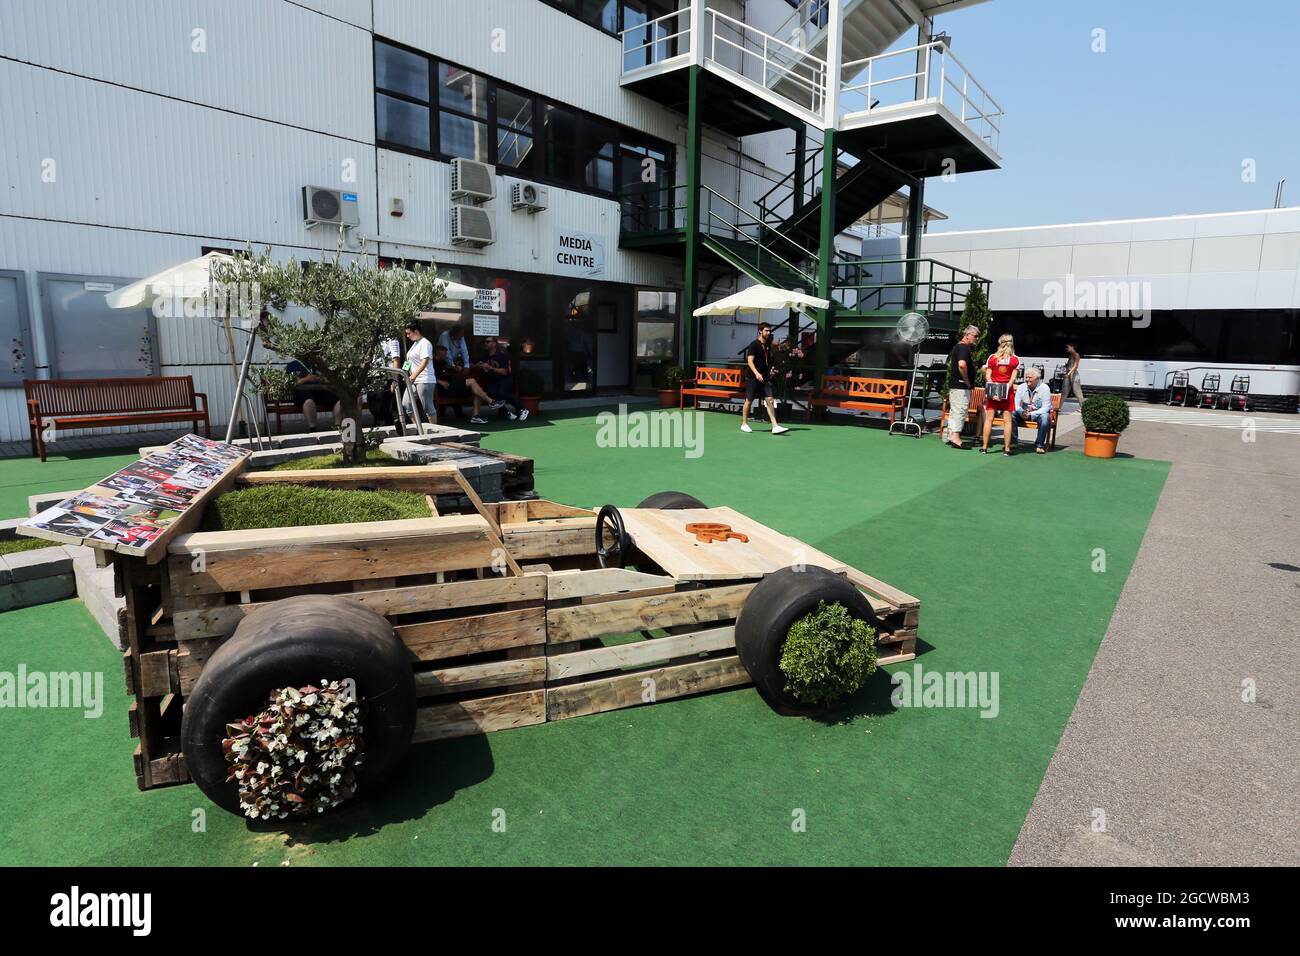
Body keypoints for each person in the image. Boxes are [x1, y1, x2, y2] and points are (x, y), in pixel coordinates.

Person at [740, 322, 789, 435]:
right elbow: (750, 361)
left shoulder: (767, 345)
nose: (768, 332)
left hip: (764, 378)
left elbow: (767, 360)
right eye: (766, 330)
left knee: (770, 399)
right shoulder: (754, 345)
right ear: (760, 331)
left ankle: (775, 426)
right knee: (749, 400)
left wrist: (769, 370)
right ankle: (744, 424)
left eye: (769, 331)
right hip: (753, 377)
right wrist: (757, 373)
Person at [432, 344, 498, 425]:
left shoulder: (444, 363)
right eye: (444, 354)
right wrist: (440, 381)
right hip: (444, 389)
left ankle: (475, 416)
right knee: (472, 381)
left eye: (446, 354)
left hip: (452, 386)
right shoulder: (432, 364)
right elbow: (426, 376)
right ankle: (491, 402)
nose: (446, 356)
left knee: (478, 390)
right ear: (437, 354)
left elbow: (449, 372)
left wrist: (455, 368)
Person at [981, 333, 1020, 456]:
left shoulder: (992, 358)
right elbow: (1012, 379)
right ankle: (1007, 449)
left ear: (1000, 343)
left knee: (989, 419)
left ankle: (984, 447)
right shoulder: (1015, 359)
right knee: (1007, 421)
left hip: (993, 390)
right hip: (1007, 392)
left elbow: (988, 376)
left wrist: (994, 389)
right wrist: (1004, 390)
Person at [944, 324, 979, 449]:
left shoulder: (959, 347)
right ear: (968, 335)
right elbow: (962, 365)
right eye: (975, 336)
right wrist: (967, 381)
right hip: (960, 385)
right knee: (960, 411)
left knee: (955, 411)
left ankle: (951, 435)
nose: (977, 338)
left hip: (955, 384)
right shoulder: (963, 348)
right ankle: (956, 438)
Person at [478, 338, 529, 422]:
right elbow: (476, 364)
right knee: (490, 391)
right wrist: (479, 365)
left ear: (494, 343)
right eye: (484, 342)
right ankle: (505, 412)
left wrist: (490, 368)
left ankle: (522, 408)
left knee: (502, 392)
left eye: (487, 342)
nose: (485, 344)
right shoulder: (485, 356)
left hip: (504, 379)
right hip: (492, 380)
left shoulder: (501, 355)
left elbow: (504, 372)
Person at [285, 357, 340, 430]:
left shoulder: (318, 365)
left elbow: (329, 380)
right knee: (308, 402)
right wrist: (306, 379)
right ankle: (313, 428)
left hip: (320, 390)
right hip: (302, 391)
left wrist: (321, 379)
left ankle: (338, 426)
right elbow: (289, 384)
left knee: (339, 400)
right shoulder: (292, 365)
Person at [1012, 366, 1052, 454]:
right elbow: (1015, 404)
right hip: (1024, 412)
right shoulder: (1021, 387)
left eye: (1030, 377)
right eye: (1026, 377)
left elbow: (1046, 408)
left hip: (1038, 413)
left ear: (1037, 379)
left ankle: (1039, 445)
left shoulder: (1045, 388)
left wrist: (1031, 414)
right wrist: (1021, 411)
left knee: (1045, 418)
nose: (1027, 379)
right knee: (1012, 414)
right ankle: (1014, 442)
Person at [403, 321, 436, 425]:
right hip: (413, 380)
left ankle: (434, 430)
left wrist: (414, 375)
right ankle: (418, 428)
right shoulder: (414, 344)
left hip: (425, 379)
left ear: (416, 331)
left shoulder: (425, 343)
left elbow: (425, 361)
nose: (407, 336)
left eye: (409, 333)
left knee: (428, 408)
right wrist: (404, 372)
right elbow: (408, 361)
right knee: (406, 403)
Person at [1061, 343, 1085, 407]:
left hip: (1074, 375)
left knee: (1077, 391)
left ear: (1072, 347)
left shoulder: (1076, 355)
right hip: (1068, 374)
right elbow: (1070, 365)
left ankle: (1083, 407)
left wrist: (1069, 373)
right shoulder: (1070, 355)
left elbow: (1075, 366)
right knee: (1064, 391)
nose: (1066, 349)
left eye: (1068, 347)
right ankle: (1058, 407)